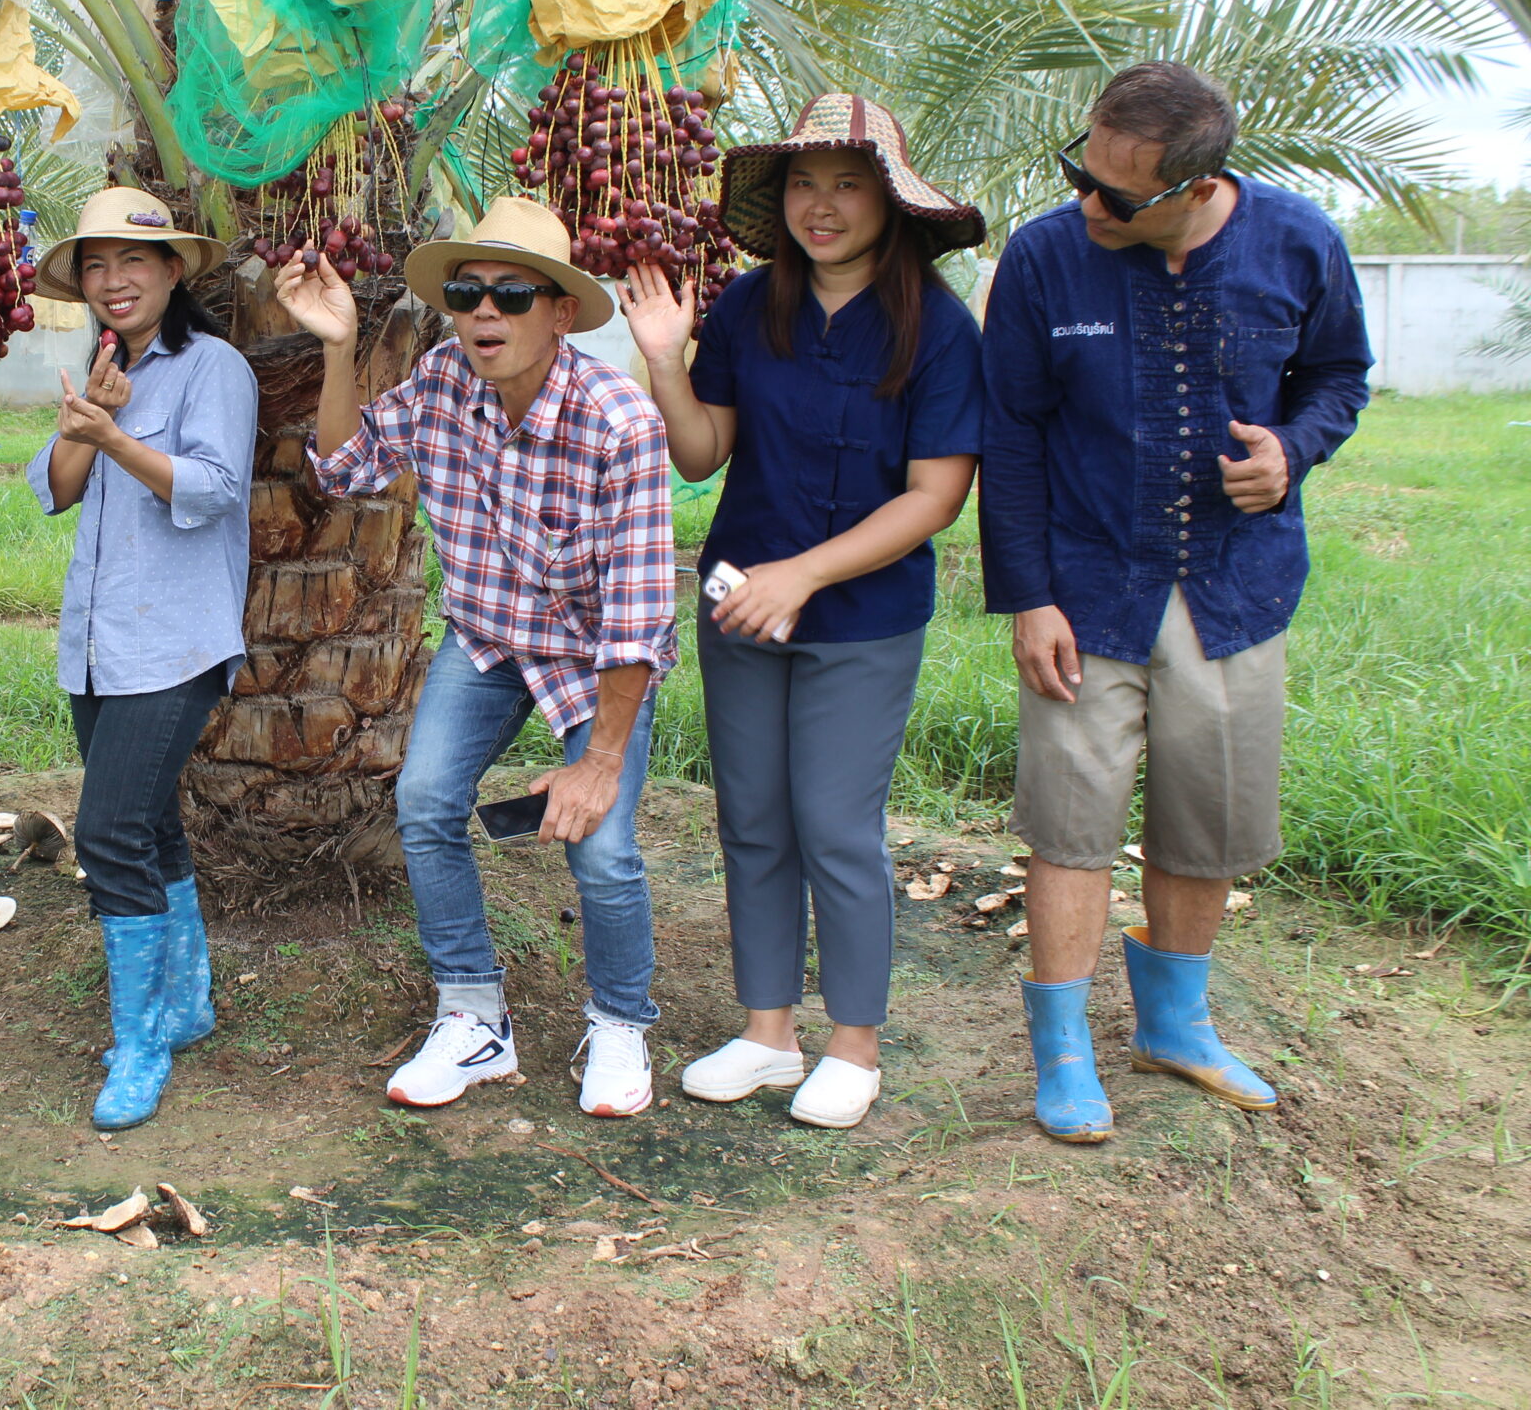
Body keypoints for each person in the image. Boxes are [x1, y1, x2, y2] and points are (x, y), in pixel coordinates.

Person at [980, 61, 1371, 1142]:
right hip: (1086, 586)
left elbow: (1339, 375)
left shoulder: (1297, 243)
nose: (1085, 203)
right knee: (1068, 824)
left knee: (1209, 817)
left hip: (1236, 590)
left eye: (1116, 194)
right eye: (1079, 172)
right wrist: (1026, 595)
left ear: (1196, 189)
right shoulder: (1045, 258)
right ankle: (1061, 1055)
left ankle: (1175, 1027)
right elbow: (1008, 435)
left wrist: (1291, 452)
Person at [624, 95, 987, 1131]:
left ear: (892, 201)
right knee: (752, 823)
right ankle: (767, 1034)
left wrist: (804, 575)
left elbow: (934, 497)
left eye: (846, 183)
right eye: (802, 183)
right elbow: (700, 455)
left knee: (835, 826)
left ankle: (855, 1048)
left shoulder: (938, 327)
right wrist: (662, 355)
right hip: (742, 607)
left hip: (862, 617)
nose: (819, 207)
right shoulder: (746, 308)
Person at [279, 196, 677, 1119]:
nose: (485, 313)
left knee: (604, 844)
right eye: (468, 292)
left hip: (592, 654)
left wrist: (599, 762)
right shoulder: (439, 382)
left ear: (561, 312)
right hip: (489, 633)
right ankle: (472, 1015)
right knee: (423, 799)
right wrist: (338, 348)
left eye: (512, 294)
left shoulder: (621, 425)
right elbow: (343, 467)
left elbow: (637, 621)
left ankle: (620, 1023)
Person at [23, 187, 257, 1131]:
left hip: (177, 643)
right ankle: (186, 1003)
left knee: (109, 832)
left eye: (132, 261)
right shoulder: (102, 365)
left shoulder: (215, 368)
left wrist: (114, 434)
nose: (112, 280)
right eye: (94, 264)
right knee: (150, 824)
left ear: (173, 271)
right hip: (99, 638)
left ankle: (140, 1043)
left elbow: (213, 488)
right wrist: (88, 430)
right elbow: (56, 487)